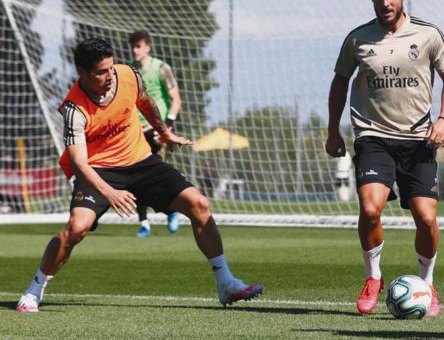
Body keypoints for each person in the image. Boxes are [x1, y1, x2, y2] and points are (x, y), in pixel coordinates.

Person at [16, 38, 262, 313]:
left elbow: (146, 102)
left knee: (199, 204)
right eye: (101, 72)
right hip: (98, 169)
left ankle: (226, 284)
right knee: (76, 228)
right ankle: (34, 290)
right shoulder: (74, 108)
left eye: (111, 68)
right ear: (82, 73)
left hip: (140, 160)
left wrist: (164, 131)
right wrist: (109, 192)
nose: (110, 76)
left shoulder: (128, 74)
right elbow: (79, 163)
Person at [326, 0, 444, 317]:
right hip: (373, 136)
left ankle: (427, 284)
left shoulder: (429, 35)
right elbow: (340, 82)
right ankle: (373, 277)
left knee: (426, 217)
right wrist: (332, 130)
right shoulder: (357, 39)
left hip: (419, 139)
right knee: (370, 207)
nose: (385, 2)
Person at [128, 30, 183, 237]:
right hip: (136, 131)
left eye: (139, 46)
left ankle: (171, 211)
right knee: (135, 176)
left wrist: (167, 126)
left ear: (148, 47)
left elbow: (176, 98)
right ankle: (144, 224)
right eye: (132, 46)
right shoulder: (129, 71)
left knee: (157, 175)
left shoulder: (161, 68)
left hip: (157, 129)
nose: (135, 50)